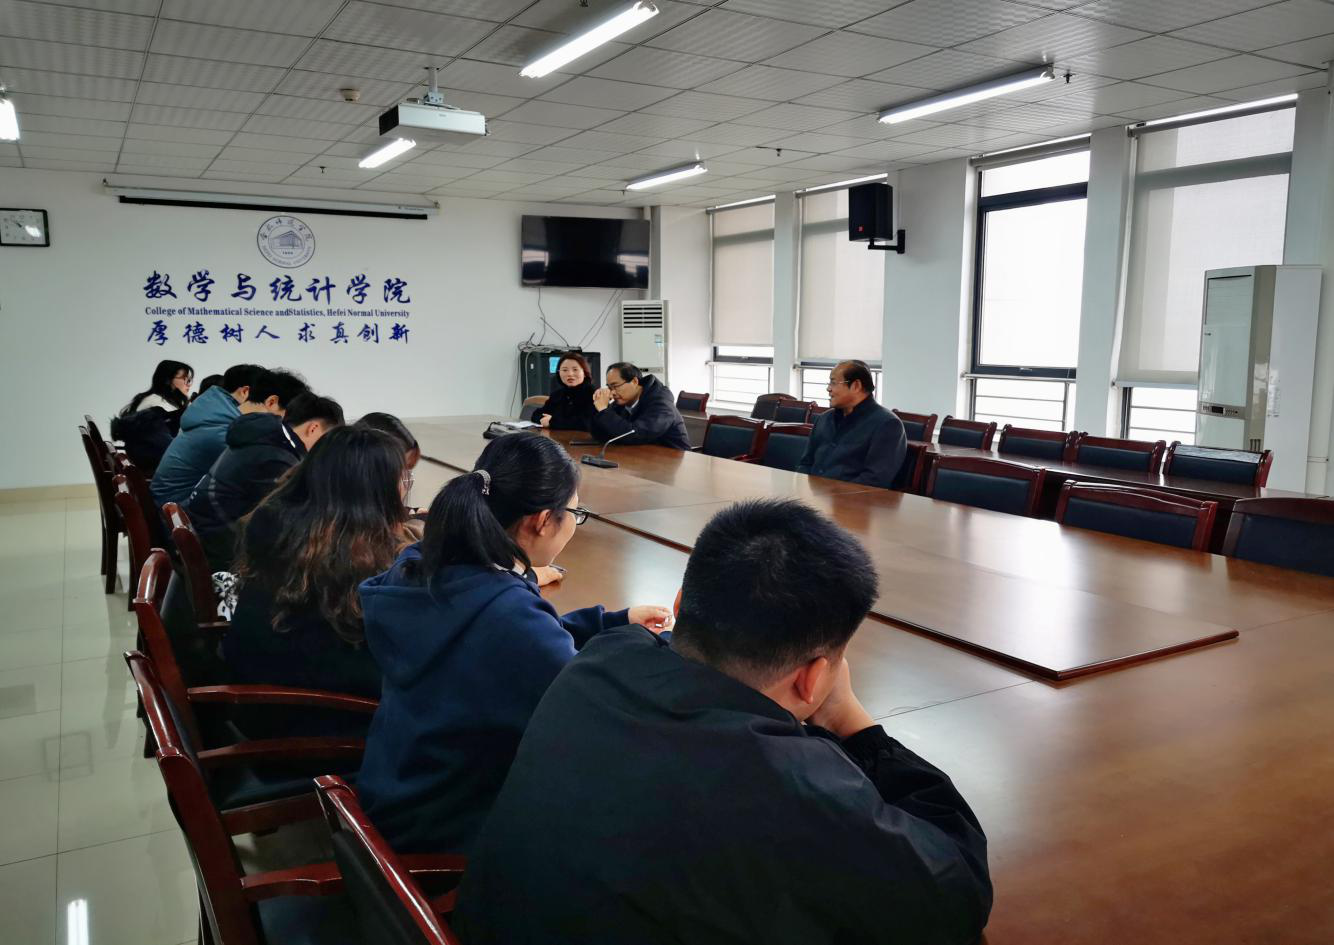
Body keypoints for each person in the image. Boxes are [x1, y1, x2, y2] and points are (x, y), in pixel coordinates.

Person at [454, 499, 993, 945]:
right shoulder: (793, 783)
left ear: (680, 601)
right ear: (812, 679)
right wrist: (852, 721)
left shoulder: (600, 660)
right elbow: (955, 893)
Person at [355, 434, 673, 855]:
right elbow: (593, 706)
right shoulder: (508, 616)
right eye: (575, 513)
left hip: (396, 789)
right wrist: (660, 648)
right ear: (540, 521)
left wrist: (610, 622)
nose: (574, 523)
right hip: (448, 827)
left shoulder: (423, 563)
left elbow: (514, 640)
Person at [224, 426, 417, 733]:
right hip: (315, 722)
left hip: (260, 698)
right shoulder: (353, 561)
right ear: (373, 492)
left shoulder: (281, 525)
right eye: (402, 480)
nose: (404, 490)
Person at [185, 390, 344, 569]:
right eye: (326, 439)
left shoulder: (263, 438)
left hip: (205, 530)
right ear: (313, 428)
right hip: (220, 548)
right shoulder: (278, 459)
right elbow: (281, 520)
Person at [150, 363, 266, 507]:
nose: (269, 409)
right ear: (245, 392)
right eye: (267, 400)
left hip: (169, 505)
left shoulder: (211, 415)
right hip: (175, 512)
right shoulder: (223, 431)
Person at [797, 360, 906, 488]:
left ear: (856, 386)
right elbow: (805, 463)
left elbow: (874, 480)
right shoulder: (824, 419)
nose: (828, 388)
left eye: (833, 382)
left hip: (851, 499)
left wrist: (829, 495)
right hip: (811, 496)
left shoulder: (887, 424)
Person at [588, 361, 690, 450]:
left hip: (675, 459)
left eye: (615, 386)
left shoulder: (661, 404)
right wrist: (599, 408)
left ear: (634, 381)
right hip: (643, 455)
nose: (612, 392)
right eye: (610, 388)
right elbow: (602, 434)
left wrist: (604, 411)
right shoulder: (621, 402)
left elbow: (636, 435)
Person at [531, 352, 595, 431]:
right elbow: (536, 414)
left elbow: (586, 423)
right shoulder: (557, 394)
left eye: (575, 369)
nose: (570, 374)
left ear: (584, 373)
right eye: (565, 370)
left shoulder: (593, 394)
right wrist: (544, 420)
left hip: (581, 438)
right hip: (556, 437)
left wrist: (552, 421)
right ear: (559, 373)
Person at [121, 359, 193, 416]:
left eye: (189, 380)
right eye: (185, 379)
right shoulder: (154, 402)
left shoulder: (170, 404)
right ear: (167, 380)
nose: (189, 384)